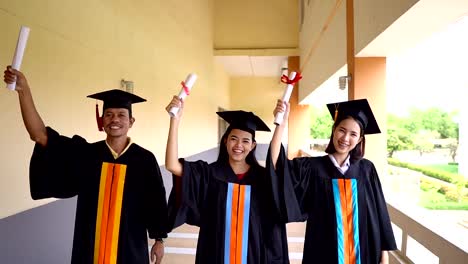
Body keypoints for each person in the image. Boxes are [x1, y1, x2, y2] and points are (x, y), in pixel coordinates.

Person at [3, 66, 168, 264]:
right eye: (108, 114)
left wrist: (159, 240)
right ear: (102, 120)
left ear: (131, 121)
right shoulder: (87, 154)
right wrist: (24, 90)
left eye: (121, 114)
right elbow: (39, 135)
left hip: (130, 247)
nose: (114, 119)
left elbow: (156, 200)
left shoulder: (144, 159)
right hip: (90, 247)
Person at [269, 98, 397, 264]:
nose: (345, 138)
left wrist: (384, 255)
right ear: (334, 130)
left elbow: (379, 213)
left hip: (364, 252)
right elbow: (277, 166)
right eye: (342, 130)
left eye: (353, 134)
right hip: (323, 252)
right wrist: (281, 123)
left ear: (359, 140)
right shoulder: (313, 168)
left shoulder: (367, 170)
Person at [165, 96, 290, 263]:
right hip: (216, 252)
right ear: (225, 141)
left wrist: (280, 126)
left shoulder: (262, 178)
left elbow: (277, 166)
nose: (239, 145)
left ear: (253, 145)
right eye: (233, 139)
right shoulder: (209, 173)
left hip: (253, 254)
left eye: (245, 141)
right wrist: (175, 120)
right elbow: (172, 165)